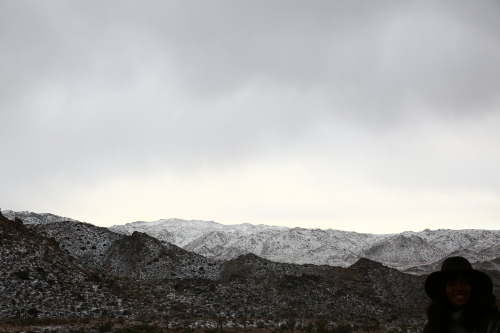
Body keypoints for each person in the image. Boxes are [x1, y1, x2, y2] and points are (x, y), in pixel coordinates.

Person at [423, 256, 500, 333]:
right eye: (452, 284)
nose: (459, 288)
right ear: (443, 290)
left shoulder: (492, 325)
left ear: (473, 287)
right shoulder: (433, 327)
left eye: (464, 283)